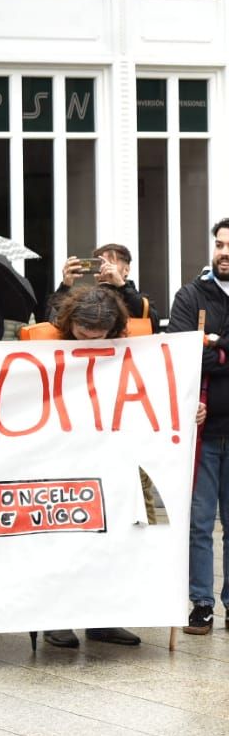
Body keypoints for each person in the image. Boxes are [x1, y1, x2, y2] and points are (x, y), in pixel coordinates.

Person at [32, 287, 143, 649]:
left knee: (111, 539)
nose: (92, 346)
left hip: (109, 454)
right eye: (83, 337)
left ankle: (103, 618)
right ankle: (57, 618)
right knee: (61, 539)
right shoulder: (44, 352)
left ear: (114, 330)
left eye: (100, 339)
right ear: (69, 326)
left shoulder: (132, 352)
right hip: (61, 456)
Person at [170, 220, 229, 636]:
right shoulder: (190, 295)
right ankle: (202, 604)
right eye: (220, 245)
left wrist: (215, 344)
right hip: (202, 430)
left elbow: (207, 351)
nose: (224, 252)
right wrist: (210, 351)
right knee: (200, 522)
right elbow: (183, 353)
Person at [47, 244, 159, 333]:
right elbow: (51, 322)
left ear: (126, 270)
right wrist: (65, 286)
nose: (104, 268)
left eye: (110, 263)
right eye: (98, 264)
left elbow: (152, 323)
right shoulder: (86, 298)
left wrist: (121, 285)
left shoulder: (137, 298)